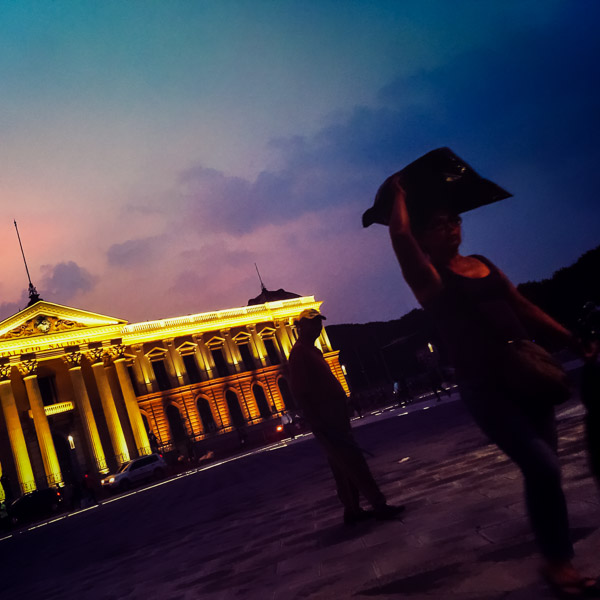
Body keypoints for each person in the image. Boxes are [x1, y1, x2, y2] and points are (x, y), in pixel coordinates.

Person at [385, 174, 599, 598]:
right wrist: (398, 196)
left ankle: (558, 562)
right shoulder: (428, 278)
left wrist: (573, 339)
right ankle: (556, 562)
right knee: (542, 466)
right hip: (485, 386)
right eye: (439, 224)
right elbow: (399, 235)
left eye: (455, 220)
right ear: (424, 237)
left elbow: (523, 306)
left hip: (526, 373)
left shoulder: (482, 263)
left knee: (546, 473)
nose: (451, 228)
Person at [288, 308, 404, 525]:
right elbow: (300, 392)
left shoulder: (313, 351)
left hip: (334, 418)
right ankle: (378, 504)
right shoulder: (299, 353)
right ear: (301, 326)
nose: (318, 327)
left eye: (319, 323)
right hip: (327, 420)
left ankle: (352, 510)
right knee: (354, 462)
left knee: (341, 466)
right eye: (312, 323)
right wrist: (317, 421)